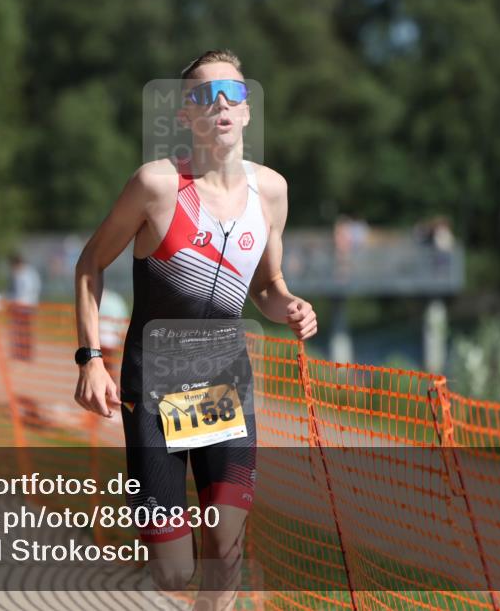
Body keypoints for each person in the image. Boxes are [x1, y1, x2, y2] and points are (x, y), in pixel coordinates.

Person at [73, 50, 317, 609]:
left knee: (226, 549)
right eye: (206, 95)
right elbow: (90, 263)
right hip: (153, 389)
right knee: (174, 571)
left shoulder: (271, 192)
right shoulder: (156, 185)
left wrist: (291, 306)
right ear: (187, 115)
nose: (222, 104)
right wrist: (89, 359)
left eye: (233, 92)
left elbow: (265, 288)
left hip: (224, 387)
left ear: (248, 111)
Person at [7, 253, 41, 361]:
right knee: (20, 331)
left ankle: (25, 353)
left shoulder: (25, 274)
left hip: (25, 307)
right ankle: (21, 352)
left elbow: (25, 292)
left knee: (24, 331)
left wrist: (15, 301)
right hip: (22, 306)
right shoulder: (25, 273)